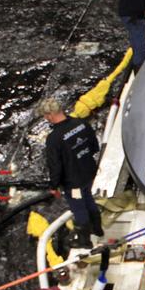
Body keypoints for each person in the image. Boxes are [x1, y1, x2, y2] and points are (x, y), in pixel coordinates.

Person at [40, 97, 104, 246]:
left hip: (74, 181)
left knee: (79, 208)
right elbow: (94, 146)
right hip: (89, 172)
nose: (45, 118)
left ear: (50, 115)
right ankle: (98, 229)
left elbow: (55, 166)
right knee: (89, 200)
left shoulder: (54, 138)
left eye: (45, 116)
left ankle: (84, 241)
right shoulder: (81, 123)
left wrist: (53, 186)